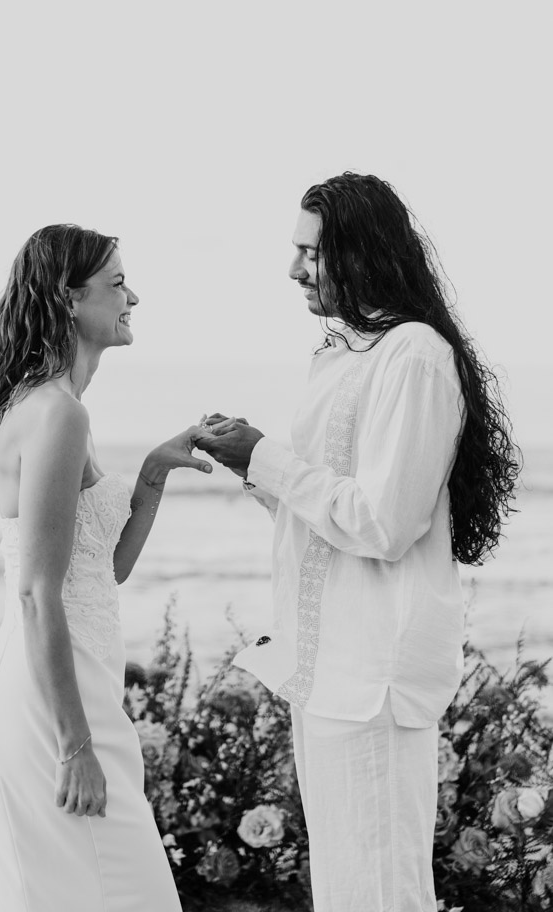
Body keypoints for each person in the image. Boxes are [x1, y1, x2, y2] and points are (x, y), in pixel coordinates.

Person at [195, 173, 520, 912]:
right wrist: (252, 464)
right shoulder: (344, 355)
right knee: (344, 890)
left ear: (359, 251)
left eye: (309, 252)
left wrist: (267, 457)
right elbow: (328, 520)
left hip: (373, 670)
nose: (292, 270)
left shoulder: (412, 355)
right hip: (326, 663)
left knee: (380, 891)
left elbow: (384, 523)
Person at [0, 225, 212, 912]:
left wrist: (152, 474)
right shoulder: (57, 414)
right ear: (69, 299)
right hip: (47, 708)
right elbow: (37, 594)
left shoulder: (65, 411)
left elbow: (102, 572)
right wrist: (74, 747)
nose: (134, 297)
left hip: (80, 684)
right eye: (118, 283)